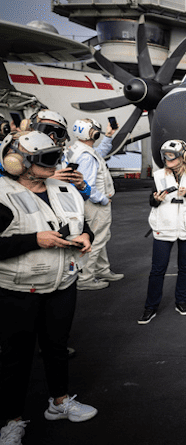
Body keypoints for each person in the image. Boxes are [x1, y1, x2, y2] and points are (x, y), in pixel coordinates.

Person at [0, 131, 98, 445]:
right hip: (17, 290)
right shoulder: (1, 193)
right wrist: (34, 240)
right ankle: (11, 420)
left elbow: (84, 226)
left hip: (63, 283)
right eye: (47, 159)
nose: (55, 164)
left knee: (57, 347)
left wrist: (86, 238)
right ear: (19, 162)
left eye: (56, 156)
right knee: (16, 356)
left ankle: (59, 402)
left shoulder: (66, 189)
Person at [137, 140, 186, 324]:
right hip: (164, 226)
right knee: (157, 269)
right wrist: (156, 199)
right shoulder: (158, 176)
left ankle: (182, 302)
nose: (167, 159)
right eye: (166, 155)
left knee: (185, 267)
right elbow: (152, 201)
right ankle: (150, 307)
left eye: (171, 155)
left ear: (183, 156)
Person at [64, 118, 122, 291]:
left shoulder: (80, 150)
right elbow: (87, 186)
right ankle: (86, 278)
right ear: (91, 132)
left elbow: (99, 153)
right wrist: (104, 199)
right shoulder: (86, 157)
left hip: (86, 203)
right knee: (96, 240)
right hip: (94, 204)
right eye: (96, 130)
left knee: (99, 237)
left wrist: (109, 136)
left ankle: (102, 270)